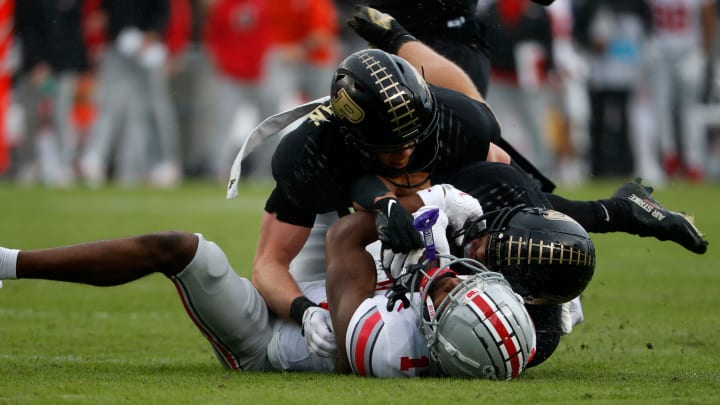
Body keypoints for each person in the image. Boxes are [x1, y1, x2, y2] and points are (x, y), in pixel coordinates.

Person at [224, 6, 708, 364]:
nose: (407, 154)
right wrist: (305, 310)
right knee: (364, 258)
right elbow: (268, 264)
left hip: (448, 181)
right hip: (358, 232)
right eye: (391, 149)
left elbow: (508, 182)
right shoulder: (309, 155)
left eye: (414, 140)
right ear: (350, 138)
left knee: (512, 210)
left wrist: (401, 38)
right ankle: (617, 209)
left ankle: (619, 212)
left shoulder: (453, 122)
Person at [0, 210, 536, 379]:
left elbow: (347, 239)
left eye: (450, 293)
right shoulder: (492, 340)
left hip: (269, 339)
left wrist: (416, 215)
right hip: (329, 299)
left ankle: (7, 264)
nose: (453, 280)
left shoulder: (388, 347)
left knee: (182, 249)